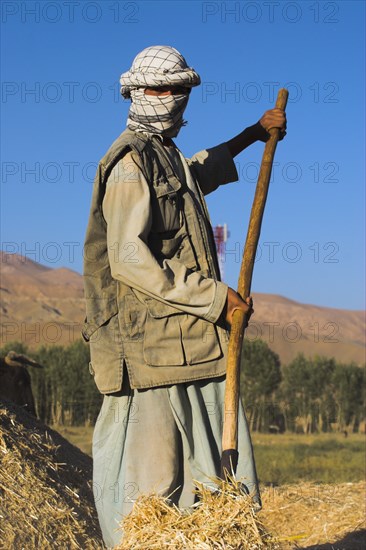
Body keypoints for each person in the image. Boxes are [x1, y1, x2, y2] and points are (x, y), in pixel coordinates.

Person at [82, 45, 286, 548]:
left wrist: (252, 135)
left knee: (216, 482)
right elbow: (130, 260)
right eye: (159, 89)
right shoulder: (129, 163)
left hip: (189, 346)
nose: (170, 99)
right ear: (135, 92)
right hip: (149, 352)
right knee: (155, 492)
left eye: (179, 89)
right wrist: (216, 299)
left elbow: (196, 176)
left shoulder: (165, 154)